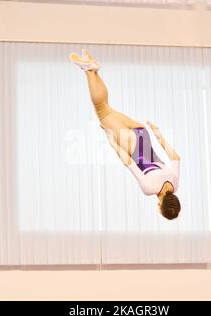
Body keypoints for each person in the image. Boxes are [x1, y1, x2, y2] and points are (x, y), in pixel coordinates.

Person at [69, 49, 181, 220]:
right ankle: (87, 70)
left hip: (143, 134)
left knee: (106, 107)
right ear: (161, 206)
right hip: (132, 145)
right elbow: (128, 162)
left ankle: (93, 70)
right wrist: (111, 141)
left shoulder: (175, 184)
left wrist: (158, 136)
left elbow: (176, 158)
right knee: (101, 110)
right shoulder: (150, 189)